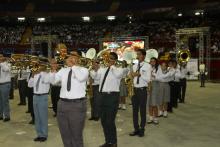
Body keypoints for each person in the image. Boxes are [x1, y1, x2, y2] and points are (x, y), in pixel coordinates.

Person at [50, 55, 88, 147]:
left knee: (76, 134)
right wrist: (53, 70)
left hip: (77, 105)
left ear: (78, 59)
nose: (70, 59)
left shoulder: (83, 70)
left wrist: (73, 66)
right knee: (65, 133)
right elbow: (53, 81)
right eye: (69, 57)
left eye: (73, 57)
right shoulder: (63, 70)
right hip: (62, 104)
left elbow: (80, 78)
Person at [90, 52, 124, 147]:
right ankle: (108, 141)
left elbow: (118, 76)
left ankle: (113, 143)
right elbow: (95, 77)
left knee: (110, 121)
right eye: (108, 58)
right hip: (102, 96)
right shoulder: (103, 69)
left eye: (111, 58)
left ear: (115, 60)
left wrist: (111, 66)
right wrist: (95, 69)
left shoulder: (119, 69)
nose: (109, 59)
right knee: (103, 120)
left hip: (112, 96)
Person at [129, 49, 151, 137]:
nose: (137, 56)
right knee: (134, 111)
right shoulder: (134, 66)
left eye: (139, 54)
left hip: (142, 90)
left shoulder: (147, 66)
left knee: (142, 110)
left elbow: (148, 79)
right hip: (134, 90)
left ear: (144, 56)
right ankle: (136, 129)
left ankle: (142, 129)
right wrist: (131, 75)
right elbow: (131, 76)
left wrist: (140, 75)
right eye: (137, 54)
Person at [28, 64, 51, 142]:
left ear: (44, 66)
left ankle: (44, 135)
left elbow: (45, 80)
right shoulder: (36, 75)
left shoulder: (47, 75)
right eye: (39, 65)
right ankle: (39, 134)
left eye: (41, 65)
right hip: (35, 96)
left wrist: (41, 72)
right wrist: (32, 76)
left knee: (43, 117)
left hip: (43, 97)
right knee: (37, 117)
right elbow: (29, 85)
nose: (39, 67)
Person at [148, 57, 160, 125]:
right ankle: (150, 117)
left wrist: (153, 74)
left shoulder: (158, 69)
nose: (152, 63)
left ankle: (156, 118)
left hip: (155, 85)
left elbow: (159, 78)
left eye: (153, 61)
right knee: (149, 103)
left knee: (154, 103)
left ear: (156, 62)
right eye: (151, 61)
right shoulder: (148, 68)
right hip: (149, 85)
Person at [0, 55, 11, 122]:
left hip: (5, 84)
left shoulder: (8, 64)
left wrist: (1, 63)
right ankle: (0, 115)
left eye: (1, 57)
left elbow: (6, 70)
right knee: (0, 101)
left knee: (5, 101)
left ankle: (7, 116)